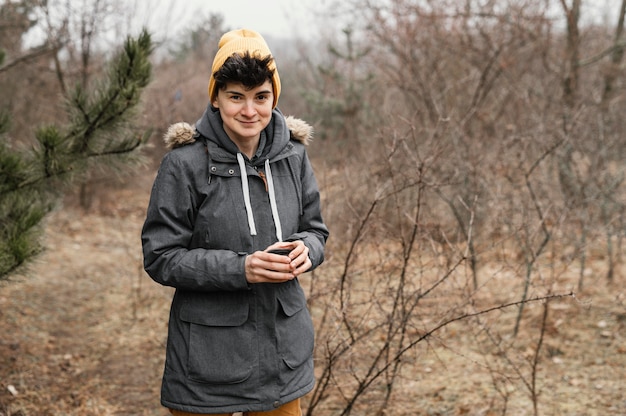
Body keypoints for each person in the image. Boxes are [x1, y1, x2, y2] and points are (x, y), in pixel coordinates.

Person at [141, 29, 328, 416]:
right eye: (236, 97)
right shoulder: (184, 164)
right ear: (216, 97)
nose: (249, 111)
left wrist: (307, 251)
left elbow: (316, 229)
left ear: (274, 96)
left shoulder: (293, 156)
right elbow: (161, 256)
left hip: (283, 355)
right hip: (208, 361)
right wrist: (242, 268)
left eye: (260, 96)